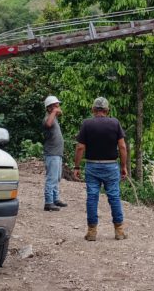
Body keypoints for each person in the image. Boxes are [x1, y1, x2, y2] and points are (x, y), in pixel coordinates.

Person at [73, 97, 128, 241]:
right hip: (111, 165)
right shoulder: (115, 123)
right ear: (107, 110)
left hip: (92, 165)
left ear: (93, 110)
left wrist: (77, 166)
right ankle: (119, 231)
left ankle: (92, 232)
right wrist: (123, 166)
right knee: (114, 197)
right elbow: (122, 146)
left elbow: (80, 147)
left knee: (92, 197)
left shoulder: (87, 124)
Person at [42, 95, 67, 212]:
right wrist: (54, 112)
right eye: (56, 105)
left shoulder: (54, 118)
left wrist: (55, 112)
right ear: (50, 107)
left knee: (57, 178)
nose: (58, 107)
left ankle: (55, 199)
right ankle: (48, 202)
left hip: (57, 153)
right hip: (51, 153)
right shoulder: (47, 118)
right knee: (51, 178)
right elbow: (48, 124)